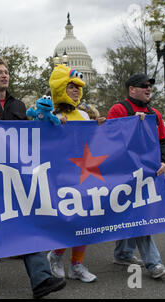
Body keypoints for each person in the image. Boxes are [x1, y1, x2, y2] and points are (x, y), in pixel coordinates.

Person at [0, 59, 66, 299]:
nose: (4, 75)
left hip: (16, 173)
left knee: (26, 221)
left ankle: (41, 279)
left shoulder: (19, 104)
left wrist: (49, 125)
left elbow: (29, 136)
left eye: (6, 72)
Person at [107, 73, 165, 279]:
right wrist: (130, 124)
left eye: (150, 85)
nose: (148, 88)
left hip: (146, 174)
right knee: (133, 214)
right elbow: (108, 139)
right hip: (123, 174)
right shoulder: (119, 110)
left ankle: (126, 254)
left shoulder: (155, 114)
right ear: (131, 89)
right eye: (143, 85)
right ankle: (153, 263)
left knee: (139, 215)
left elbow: (163, 142)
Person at [45, 64, 100, 283]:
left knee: (84, 219)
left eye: (78, 87)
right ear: (60, 89)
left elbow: (93, 144)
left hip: (84, 174)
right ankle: (56, 256)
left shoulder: (85, 116)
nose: (76, 91)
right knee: (67, 219)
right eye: (71, 86)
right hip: (60, 175)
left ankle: (77, 264)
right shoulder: (50, 115)